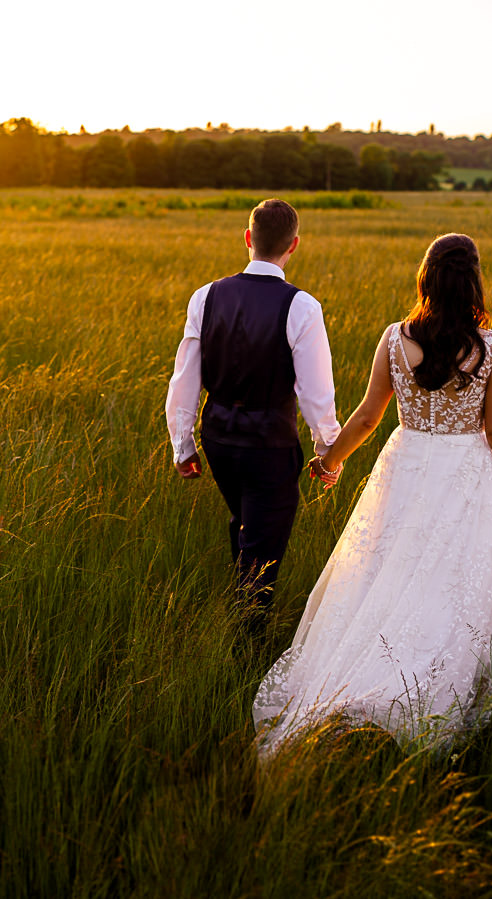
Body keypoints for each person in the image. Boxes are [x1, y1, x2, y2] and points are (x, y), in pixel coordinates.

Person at [253, 232, 492, 752]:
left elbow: (365, 418)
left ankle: (354, 688)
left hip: (405, 467)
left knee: (385, 577)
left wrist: (330, 460)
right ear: (473, 280)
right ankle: (416, 699)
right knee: (448, 589)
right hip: (466, 478)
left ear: (424, 278)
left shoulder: (393, 337)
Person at [166, 199, 342, 633]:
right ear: (294, 246)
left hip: (219, 438)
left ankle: (243, 619)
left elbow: (184, 378)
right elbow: (316, 394)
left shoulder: (205, 297)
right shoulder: (302, 306)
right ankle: (246, 646)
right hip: (270, 444)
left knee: (246, 524)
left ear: (248, 239)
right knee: (263, 547)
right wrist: (328, 452)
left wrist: (183, 444)